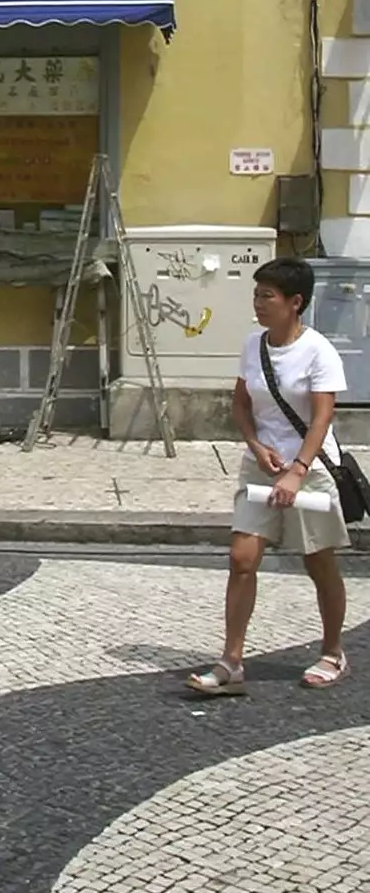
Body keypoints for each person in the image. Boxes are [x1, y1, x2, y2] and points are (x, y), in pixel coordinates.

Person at [187, 256, 350, 695]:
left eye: (267, 296)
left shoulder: (319, 351)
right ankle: (231, 662)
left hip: (309, 469)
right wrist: (256, 447)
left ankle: (333, 651)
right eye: (256, 295)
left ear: (295, 302)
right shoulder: (253, 345)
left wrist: (297, 471)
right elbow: (241, 404)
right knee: (241, 559)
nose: (258, 304)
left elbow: (321, 419)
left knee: (319, 562)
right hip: (261, 467)